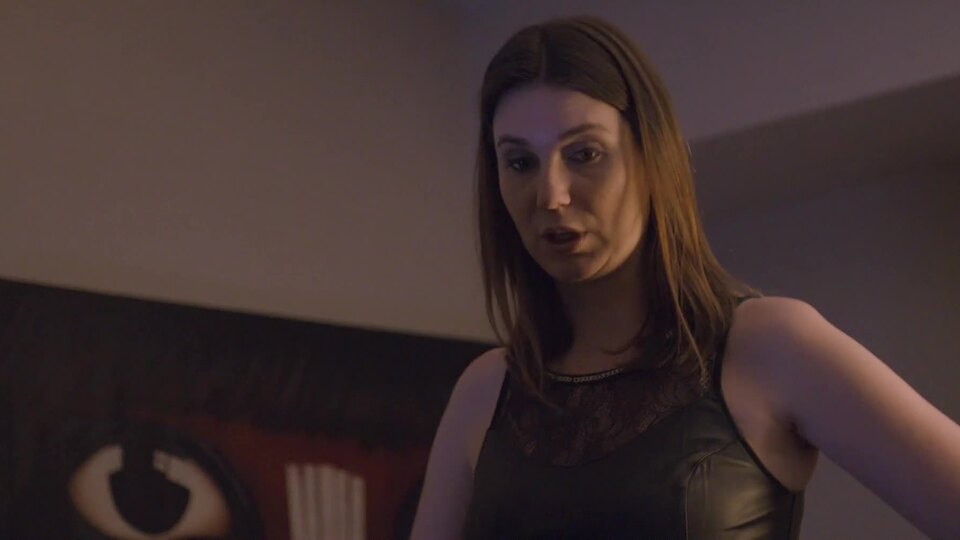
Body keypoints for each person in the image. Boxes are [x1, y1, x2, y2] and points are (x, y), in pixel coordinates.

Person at [410, 14, 960, 540]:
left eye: (585, 154)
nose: (551, 196)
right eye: (520, 163)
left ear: (651, 157)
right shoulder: (486, 390)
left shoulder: (770, 346)